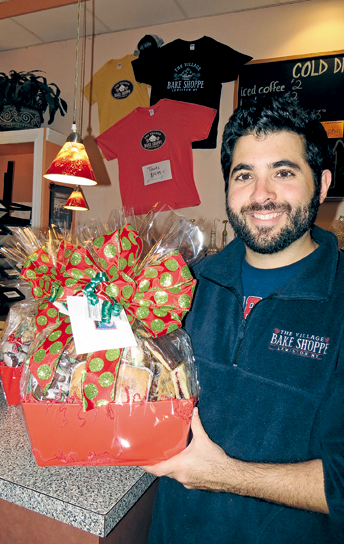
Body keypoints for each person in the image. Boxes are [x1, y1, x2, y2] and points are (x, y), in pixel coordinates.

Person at [144, 94, 344, 543]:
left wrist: (226, 475)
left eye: (283, 172)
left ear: (323, 183)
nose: (261, 194)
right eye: (244, 175)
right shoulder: (180, 287)